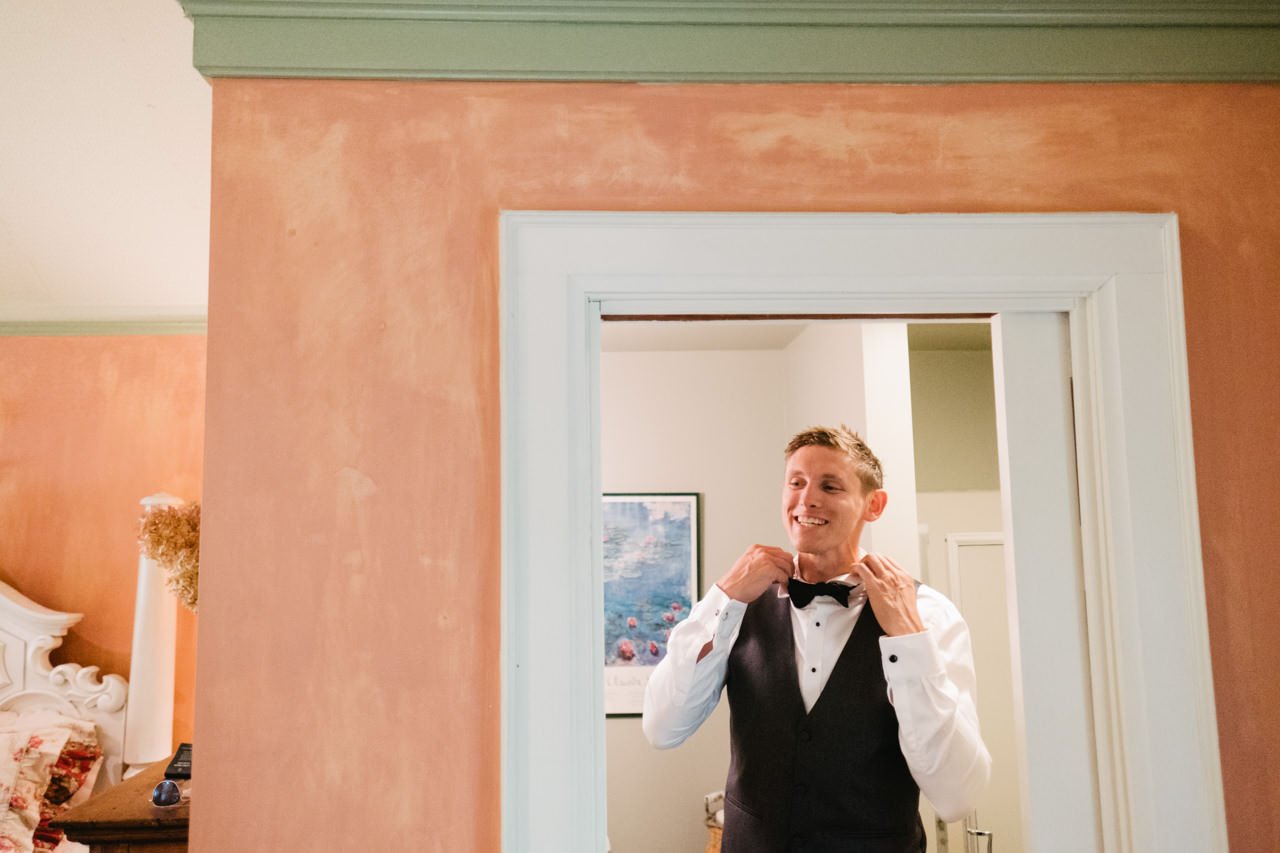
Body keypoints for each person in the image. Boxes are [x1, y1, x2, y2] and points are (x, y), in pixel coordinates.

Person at [642, 425, 990, 853]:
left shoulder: (929, 615)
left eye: (830, 485)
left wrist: (908, 637)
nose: (807, 498)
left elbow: (957, 796)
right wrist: (723, 596)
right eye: (796, 482)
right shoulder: (735, 607)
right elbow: (661, 727)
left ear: (873, 505)